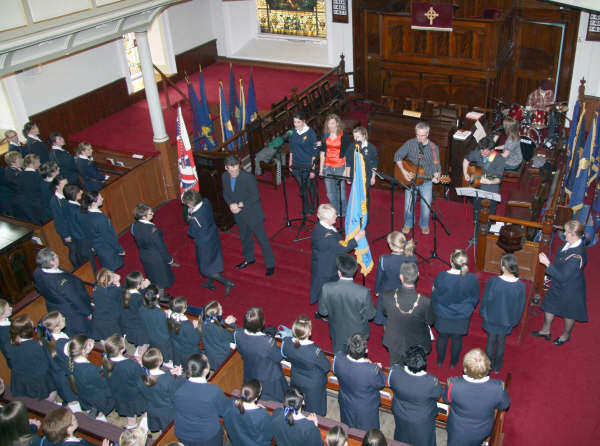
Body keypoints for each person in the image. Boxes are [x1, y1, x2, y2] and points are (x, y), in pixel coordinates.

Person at [532, 219, 587, 345]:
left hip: (570, 288)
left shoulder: (577, 255)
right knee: (549, 306)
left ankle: (565, 335)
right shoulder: (569, 243)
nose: (564, 234)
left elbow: (563, 276)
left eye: (567, 232)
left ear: (574, 235)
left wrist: (547, 264)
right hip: (558, 282)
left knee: (569, 312)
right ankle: (546, 330)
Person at [221, 154, 275, 276]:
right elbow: (225, 193)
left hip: (252, 213)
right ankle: (249, 258)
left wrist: (241, 205)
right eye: (231, 168)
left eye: (236, 168)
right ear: (226, 167)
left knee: (262, 240)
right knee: (245, 238)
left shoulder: (248, 177)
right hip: (238, 215)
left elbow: (256, 196)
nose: (234, 171)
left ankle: (270, 264)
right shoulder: (224, 177)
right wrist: (230, 204)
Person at [444, 348, 510, 446]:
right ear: (488, 367)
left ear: (465, 368)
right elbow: (504, 405)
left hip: (457, 428)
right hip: (482, 430)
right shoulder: (498, 387)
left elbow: (447, 399)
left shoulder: (453, 384)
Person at [318, 254, 376, 355]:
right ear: (354, 272)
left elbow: (322, 312)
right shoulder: (363, 292)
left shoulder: (326, 288)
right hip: (357, 335)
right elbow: (370, 315)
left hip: (337, 331)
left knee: (338, 359)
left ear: (339, 273)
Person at [431, 249, 480, 368]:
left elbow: (435, 295)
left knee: (442, 337)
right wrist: (468, 308)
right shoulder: (472, 279)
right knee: (457, 339)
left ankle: (440, 361)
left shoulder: (442, 276)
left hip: (443, 313)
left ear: (451, 261)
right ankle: (453, 363)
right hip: (462, 315)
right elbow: (475, 297)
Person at [182, 189, 234, 295]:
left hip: (204, 244)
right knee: (211, 262)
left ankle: (227, 283)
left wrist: (189, 217)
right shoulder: (205, 201)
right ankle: (210, 284)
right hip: (212, 235)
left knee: (206, 269)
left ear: (191, 204)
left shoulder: (195, 218)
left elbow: (191, 233)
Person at [388, 345, 442, 446]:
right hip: (422, 419)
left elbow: (390, 384)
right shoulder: (431, 382)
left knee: (401, 437)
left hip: (400, 412)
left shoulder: (394, 372)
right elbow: (438, 395)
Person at [310, 203, 364, 305]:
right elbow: (343, 249)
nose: (337, 216)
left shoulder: (323, 226)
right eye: (334, 215)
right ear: (327, 219)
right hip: (326, 269)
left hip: (325, 261)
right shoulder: (327, 237)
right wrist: (357, 238)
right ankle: (322, 312)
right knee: (325, 291)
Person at [480, 253, 526, 373]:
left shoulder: (493, 281)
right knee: (501, 341)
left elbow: (485, 299)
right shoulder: (521, 286)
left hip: (491, 317)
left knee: (490, 340)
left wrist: (484, 314)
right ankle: (498, 366)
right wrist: (514, 320)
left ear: (503, 267)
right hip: (507, 320)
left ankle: (488, 366)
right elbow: (520, 306)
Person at [382, 262, 434, 365]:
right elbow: (430, 321)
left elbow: (385, 312)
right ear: (418, 275)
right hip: (417, 343)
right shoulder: (425, 301)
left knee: (395, 369)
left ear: (401, 277)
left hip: (394, 341)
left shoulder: (387, 295)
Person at [394, 121, 441, 235]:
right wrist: (404, 171)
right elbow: (397, 156)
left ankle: (424, 224)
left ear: (428, 134)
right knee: (409, 204)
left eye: (422, 135)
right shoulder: (410, 143)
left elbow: (437, 166)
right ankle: (408, 223)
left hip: (426, 180)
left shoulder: (433, 148)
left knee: (426, 205)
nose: (419, 137)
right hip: (410, 179)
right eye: (418, 135)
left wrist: (437, 176)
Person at [33, 248, 92, 337]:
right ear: (52, 262)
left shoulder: (37, 272)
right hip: (73, 313)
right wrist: (87, 312)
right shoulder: (61, 282)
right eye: (55, 256)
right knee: (83, 335)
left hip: (54, 306)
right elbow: (75, 299)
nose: (58, 256)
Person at [173, 354, 229, 446]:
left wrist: (180, 376)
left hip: (182, 433)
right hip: (207, 437)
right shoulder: (213, 391)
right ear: (206, 370)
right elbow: (224, 411)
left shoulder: (178, 384)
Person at [234, 307, 287, 402]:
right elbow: (278, 357)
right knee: (276, 401)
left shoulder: (238, 334)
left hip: (250, 371)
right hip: (269, 377)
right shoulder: (267, 342)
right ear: (262, 324)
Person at [333, 334, 385, 431]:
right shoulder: (372, 370)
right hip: (366, 409)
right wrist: (375, 366)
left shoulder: (338, 359)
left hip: (346, 402)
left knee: (348, 428)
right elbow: (382, 383)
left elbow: (336, 371)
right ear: (366, 351)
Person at [281, 314, 331, 416]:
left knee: (299, 405)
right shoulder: (314, 351)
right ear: (309, 332)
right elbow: (326, 367)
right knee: (316, 411)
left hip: (296, 378)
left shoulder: (286, 343)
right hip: (314, 385)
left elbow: (285, 354)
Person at [5, 314, 56, 400]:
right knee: (49, 400)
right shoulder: (35, 346)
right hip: (38, 381)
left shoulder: (8, 345)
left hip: (21, 382)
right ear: (28, 330)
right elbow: (46, 365)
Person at [131, 203, 177, 298]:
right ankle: (162, 297)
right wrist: (169, 260)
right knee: (162, 278)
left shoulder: (134, 226)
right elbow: (161, 247)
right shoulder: (153, 230)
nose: (153, 214)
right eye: (150, 213)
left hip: (144, 255)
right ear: (143, 217)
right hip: (157, 258)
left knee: (152, 275)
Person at [102, 334, 147, 429]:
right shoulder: (131, 365)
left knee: (129, 414)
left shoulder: (106, 362)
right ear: (122, 349)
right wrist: (142, 367)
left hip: (118, 394)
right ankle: (139, 427)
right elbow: (143, 382)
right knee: (135, 411)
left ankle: (131, 425)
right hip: (134, 396)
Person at [39, 311, 81, 411]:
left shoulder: (46, 337)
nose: (64, 318)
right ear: (56, 328)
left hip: (57, 372)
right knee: (73, 400)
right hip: (66, 376)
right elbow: (72, 358)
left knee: (68, 395)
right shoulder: (62, 344)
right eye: (62, 319)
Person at [67, 334, 115, 420]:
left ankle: (92, 411)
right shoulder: (89, 369)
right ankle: (100, 420)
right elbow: (103, 384)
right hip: (97, 397)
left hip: (85, 394)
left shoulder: (72, 363)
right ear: (83, 351)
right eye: (89, 343)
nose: (92, 341)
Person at [373, 231, 417, 324]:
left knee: (387, 320)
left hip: (387, 292)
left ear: (391, 246)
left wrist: (377, 290)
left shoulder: (384, 259)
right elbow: (413, 276)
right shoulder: (412, 258)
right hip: (404, 292)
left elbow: (379, 277)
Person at [462, 138, 505, 232]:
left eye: (486, 152)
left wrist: (489, 181)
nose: (483, 153)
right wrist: (465, 174)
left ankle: (484, 236)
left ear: (492, 150)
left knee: (488, 217)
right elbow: (466, 159)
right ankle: (477, 234)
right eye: (481, 150)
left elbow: (498, 178)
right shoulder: (478, 152)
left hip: (491, 190)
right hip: (477, 187)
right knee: (476, 214)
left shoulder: (499, 159)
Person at [138, 347, 183, 433]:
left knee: (160, 425)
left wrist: (169, 373)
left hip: (152, 408)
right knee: (168, 430)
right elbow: (176, 394)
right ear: (160, 361)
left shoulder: (142, 377)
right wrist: (180, 377)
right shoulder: (167, 379)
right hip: (167, 411)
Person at [318, 113, 352, 217]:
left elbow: (347, 155)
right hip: (328, 166)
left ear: (337, 123)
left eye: (332, 123)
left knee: (340, 192)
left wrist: (347, 173)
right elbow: (323, 152)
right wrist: (321, 169)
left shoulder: (344, 136)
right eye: (329, 124)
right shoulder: (326, 135)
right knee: (330, 193)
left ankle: (344, 212)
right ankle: (336, 211)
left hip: (340, 166)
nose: (330, 126)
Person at [81, 190, 125, 271]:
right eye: (100, 198)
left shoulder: (86, 214)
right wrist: (119, 249)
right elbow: (108, 236)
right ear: (94, 203)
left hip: (99, 248)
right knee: (111, 272)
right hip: (107, 249)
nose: (102, 199)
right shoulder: (100, 218)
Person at [222, 379, 274, 446]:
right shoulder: (262, 415)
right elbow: (268, 436)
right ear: (256, 398)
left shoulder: (230, 403)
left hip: (235, 440)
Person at [288, 112, 318, 216]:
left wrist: (313, 168)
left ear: (304, 121)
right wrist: (290, 162)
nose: (296, 124)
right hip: (296, 164)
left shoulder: (311, 133)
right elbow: (291, 148)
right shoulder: (293, 133)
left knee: (309, 185)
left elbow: (315, 152)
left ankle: (313, 206)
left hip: (307, 164)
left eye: (298, 122)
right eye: (294, 122)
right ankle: (306, 206)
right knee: (302, 186)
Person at [63, 184, 95, 270]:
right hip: (84, 241)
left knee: (85, 264)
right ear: (75, 194)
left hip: (76, 240)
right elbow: (85, 226)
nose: (81, 192)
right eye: (79, 191)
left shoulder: (66, 205)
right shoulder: (78, 210)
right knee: (91, 266)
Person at [139, 285, 174, 362]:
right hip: (163, 342)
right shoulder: (159, 313)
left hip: (150, 337)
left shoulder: (141, 309)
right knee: (166, 358)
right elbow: (165, 332)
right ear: (157, 295)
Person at [49, 175, 78, 267]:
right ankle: (78, 267)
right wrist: (66, 235)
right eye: (64, 184)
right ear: (57, 187)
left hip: (74, 228)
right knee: (74, 251)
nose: (67, 185)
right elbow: (59, 220)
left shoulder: (65, 195)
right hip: (68, 232)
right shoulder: (55, 201)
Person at [200, 300, 236, 371]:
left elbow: (216, 327)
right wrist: (232, 324)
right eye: (220, 308)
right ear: (215, 314)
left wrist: (225, 322)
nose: (222, 307)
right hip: (221, 358)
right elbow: (232, 337)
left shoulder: (203, 323)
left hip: (210, 355)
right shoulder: (219, 330)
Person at [14, 153, 50, 223]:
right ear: (31, 164)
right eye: (38, 162)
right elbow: (43, 193)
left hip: (27, 208)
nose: (40, 163)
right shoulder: (37, 177)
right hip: (39, 207)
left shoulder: (19, 175)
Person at [167, 296, 202, 366]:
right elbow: (196, 341)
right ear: (184, 309)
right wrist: (196, 328)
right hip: (188, 352)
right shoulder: (187, 325)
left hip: (176, 348)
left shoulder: (169, 317)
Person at [120, 271, 151, 348]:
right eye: (142, 280)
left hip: (125, 325)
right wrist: (149, 288)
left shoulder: (123, 291)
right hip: (138, 330)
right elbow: (149, 303)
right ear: (137, 286)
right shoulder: (138, 299)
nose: (144, 280)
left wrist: (143, 289)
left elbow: (137, 294)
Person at [91, 268, 122, 340]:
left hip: (99, 319)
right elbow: (121, 295)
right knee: (115, 340)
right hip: (110, 320)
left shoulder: (96, 288)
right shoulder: (113, 291)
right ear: (109, 280)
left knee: (105, 338)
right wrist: (118, 283)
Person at [350, 126, 379, 205]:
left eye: (357, 136)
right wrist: (348, 175)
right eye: (354, 136)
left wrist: (373, 177)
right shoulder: (353, 146)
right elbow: (349, 161)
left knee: (364, 197)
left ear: (364, 136)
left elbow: (374, 163)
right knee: (355, 197)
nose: (355, 139)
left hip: (367, 176)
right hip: (355, 175)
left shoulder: (371, 148)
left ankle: (364, 215)